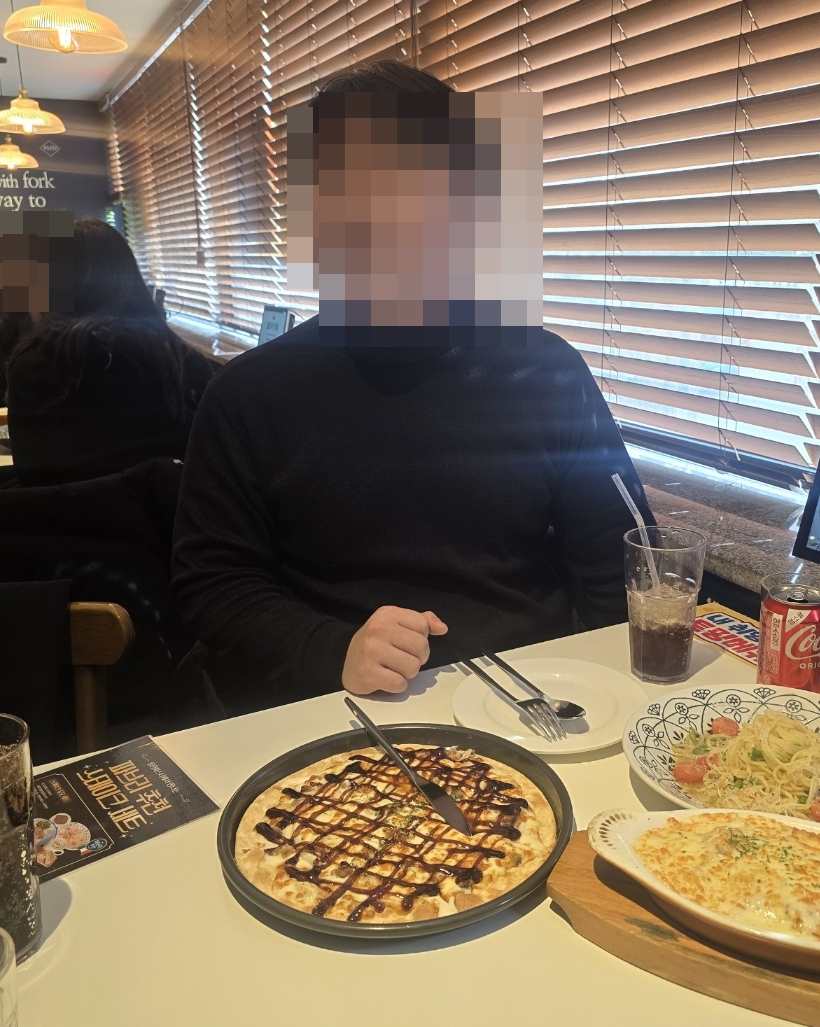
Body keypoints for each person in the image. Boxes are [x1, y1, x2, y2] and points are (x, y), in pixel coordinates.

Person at [171, 60, 652, 708]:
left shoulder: (546, 371)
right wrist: (330, 648)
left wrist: (609, 696)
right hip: (340, 711)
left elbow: (624, 566)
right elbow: (212, 585)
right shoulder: (249, 394)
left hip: (535, 699)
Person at [0, 218, 218, 484]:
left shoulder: (37, 364)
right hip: (176, 523)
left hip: (73, 525)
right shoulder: (186, 360)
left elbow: (32, 473)